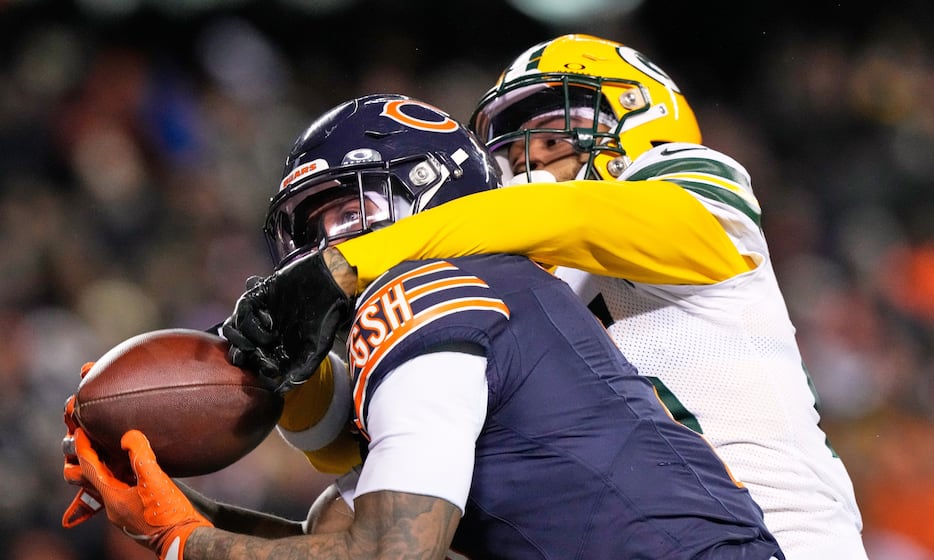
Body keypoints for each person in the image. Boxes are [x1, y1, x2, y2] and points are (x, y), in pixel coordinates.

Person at [224, 36, 869, 558]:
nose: (529, 166)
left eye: (554, 140)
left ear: (642, 121)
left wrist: (349, 262)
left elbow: (562, 216)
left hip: (788, 538)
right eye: (510, 152)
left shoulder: (689, 193)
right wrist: (282, 368)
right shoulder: (518, 287)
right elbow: (362, 444)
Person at [64, 93, 784, 559]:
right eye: (312, 231)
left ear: (433, 195)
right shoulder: (485, 314)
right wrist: (187, 512)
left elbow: (390, 556)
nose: (328, 249)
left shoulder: (429, 294)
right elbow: (341, 543)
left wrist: (184, 544)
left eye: (348, 213)